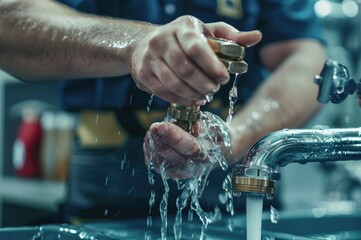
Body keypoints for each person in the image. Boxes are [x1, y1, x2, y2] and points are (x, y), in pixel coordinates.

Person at [0, 0, 326, 223]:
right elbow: (9, 20)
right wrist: (135, 43)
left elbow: (306, 57)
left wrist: (232, 138)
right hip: (108, 175)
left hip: (238, 172)